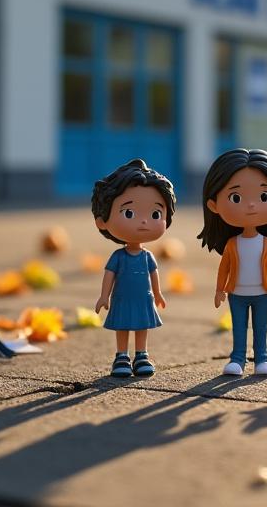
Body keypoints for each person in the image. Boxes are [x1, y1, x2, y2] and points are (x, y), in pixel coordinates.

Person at [198, 148, 267, 376]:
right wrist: (220, 290)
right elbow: (224, 268)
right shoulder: (232, 244)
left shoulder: (266, 243)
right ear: (214, 205)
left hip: (263, 292)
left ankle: (262, 357)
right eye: (236, 198)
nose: (251, 205)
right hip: (237, 293)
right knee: (239, 327)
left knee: (261, 327)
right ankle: (237, 359)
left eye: (263, 197)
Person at [92, 159, 174, 377]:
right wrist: (103, 296)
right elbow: (109, 274)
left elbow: (153, 274)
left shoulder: (148, 256)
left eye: (155, 214)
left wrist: (158, 294)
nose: (144, 222)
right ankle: (121, 356)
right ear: (102, 221)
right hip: (122, 298)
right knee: (122, 325)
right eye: (129, 213)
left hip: (143, 297)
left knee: (141, 325)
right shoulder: (118, 256)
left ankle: (141, 354)